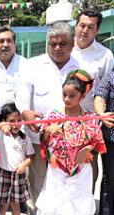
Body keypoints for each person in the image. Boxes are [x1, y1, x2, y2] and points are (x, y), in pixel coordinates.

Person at [15, 22, 79, 215]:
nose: (58, 48)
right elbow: (22, 95)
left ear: (72, 44)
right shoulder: (33, 65)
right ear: (47, 44)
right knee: (38, 181)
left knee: (67, 184)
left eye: (63, 44)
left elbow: (86, 104)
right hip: (38, 139)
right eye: (53, 44)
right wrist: (25, 111)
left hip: (70, 141)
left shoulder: (80, 68)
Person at [36, 70, 106, 215]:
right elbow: (43, 137)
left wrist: (87, 149)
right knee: (55, 204)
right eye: (64, 95)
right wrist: (49, 129)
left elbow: (97, 141)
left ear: (83, 96)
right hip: (57, 169)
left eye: (72, 96)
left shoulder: (89, 118)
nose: (67, 99)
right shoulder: (55, 115)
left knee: (79, 205)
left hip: (81, 169)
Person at [71, 8, 113, 194]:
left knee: (90, 160)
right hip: (64, 117)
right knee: (61, 160)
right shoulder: (63, 49)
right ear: (76, 26)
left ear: (97, 30)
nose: (84, 30)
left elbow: (104, 92)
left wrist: (100, 116)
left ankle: (87, 201)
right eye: (82, 25)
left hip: (91, 120)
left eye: (90, 27)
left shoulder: (105, 55)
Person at [0, 26, 29, 191]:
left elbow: (24, 94)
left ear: (14, 44)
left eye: (9, 40)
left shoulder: (24, 64)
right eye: (1, 41)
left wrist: (17, 122)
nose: (5, 44)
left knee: (15, 158)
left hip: (15, 119)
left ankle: (16, 199)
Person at [0, 103, 34, 215]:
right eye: (12, 120)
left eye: (19, 120)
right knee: (2, 205)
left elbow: (31, 156)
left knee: (16, 205)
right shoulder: (1, 135)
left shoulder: (25, 139)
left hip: (18, 175)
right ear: (5, 121)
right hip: (3, 174)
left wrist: (24, 165)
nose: (16, 124)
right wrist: (1, 125)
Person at [94, 69, 114, 215]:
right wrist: (101, 115)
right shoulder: (110, 76)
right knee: (110, 178)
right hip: (111, 136)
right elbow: (99, 97)